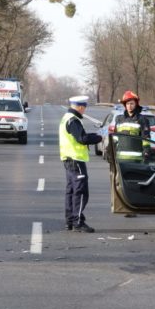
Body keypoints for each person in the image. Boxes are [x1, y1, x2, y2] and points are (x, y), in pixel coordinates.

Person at [59, 95, 102, 232]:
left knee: (71, 191)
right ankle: (78, 221)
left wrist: (96, 134)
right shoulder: (73, 120)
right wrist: (100, 137)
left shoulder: (66, 118)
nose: (85, 110)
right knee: (81, 191)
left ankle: (70, 221)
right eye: (84, 107)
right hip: (76, 160)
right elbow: (82, 138)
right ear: (80, 107)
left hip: (68, 159)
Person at [114, 90, 151, 162]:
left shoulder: (142, 119)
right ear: (125, 105)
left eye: (132, 104)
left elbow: (146, 139)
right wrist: (110, 151)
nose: (129, 106)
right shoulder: (119, 119)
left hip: (136, 160)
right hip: (120, 159)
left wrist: (146, 152)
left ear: (136, 104)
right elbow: (115, 138)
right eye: (127, 104)